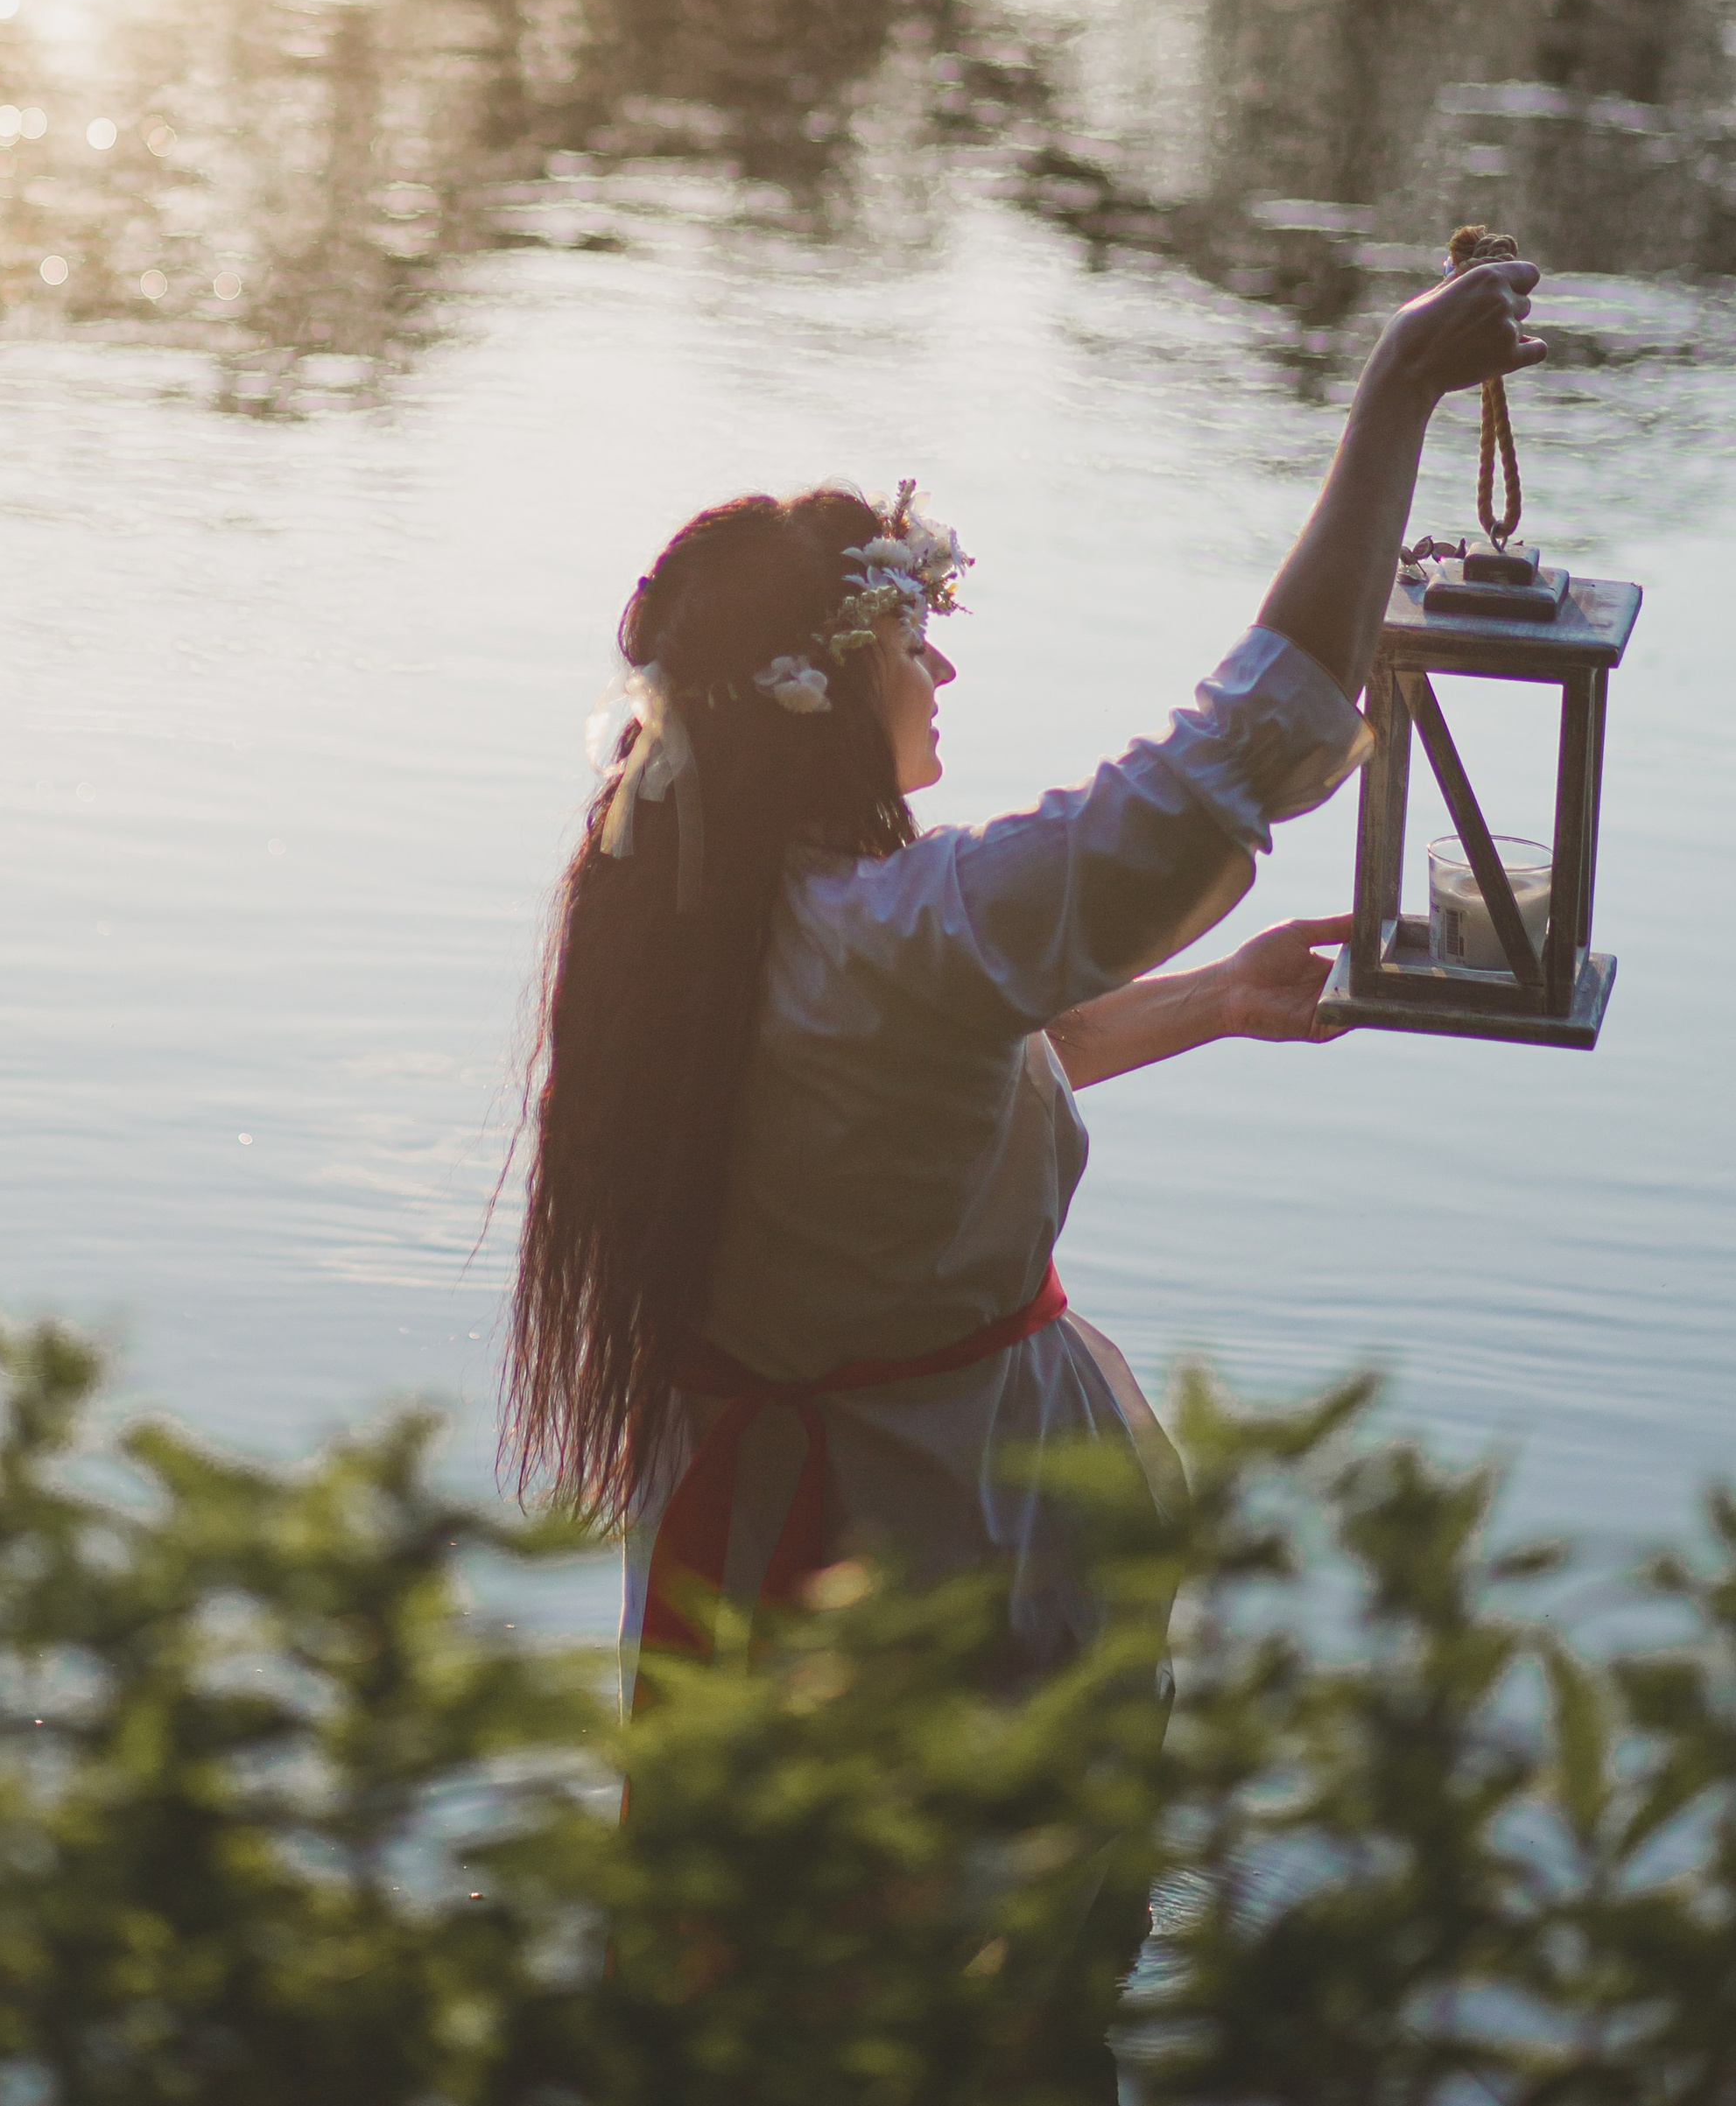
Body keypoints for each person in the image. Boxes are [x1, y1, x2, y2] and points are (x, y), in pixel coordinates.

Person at [502, 252, 1544, 1695]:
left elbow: (892, 1096)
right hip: (944, 1515)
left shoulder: (678, 914)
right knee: (975, 1889)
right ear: (828, 687)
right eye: (913, 645)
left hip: (728, 1518)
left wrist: (1212, 997)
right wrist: (1391, 393)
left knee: (758, 1884)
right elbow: (1229, 757)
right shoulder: (904, 923)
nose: (941, 677)